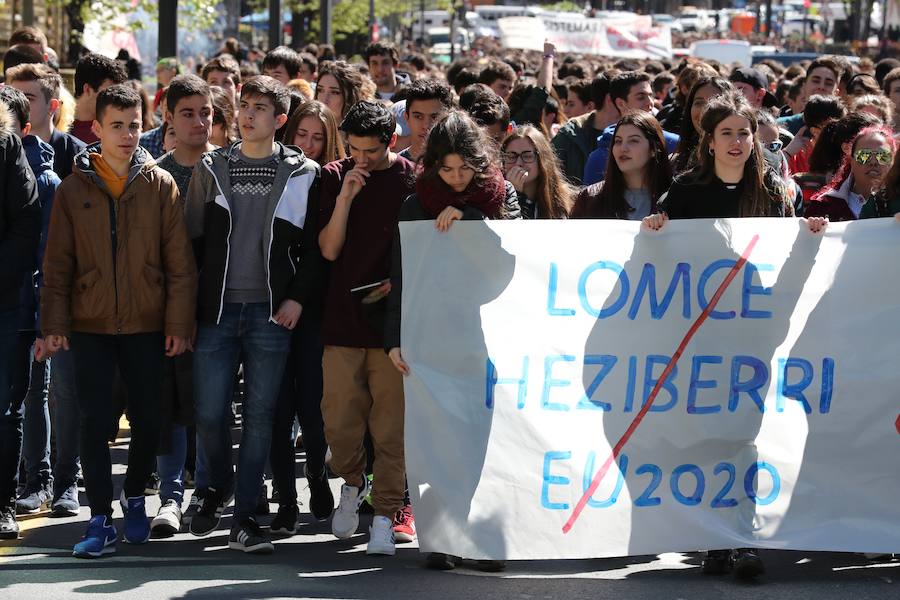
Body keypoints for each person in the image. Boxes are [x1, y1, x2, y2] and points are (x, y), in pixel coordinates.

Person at [41, 84, 197, 558]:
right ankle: (100, 518)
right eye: (117, 126)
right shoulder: (74, 187)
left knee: (151, 419)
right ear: (97, 129)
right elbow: (58, 263)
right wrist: (55, 323)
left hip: (149, 325)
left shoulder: (160, 184)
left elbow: (180, 264)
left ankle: (134, 497)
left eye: (134, 125)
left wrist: (178, 324)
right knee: (93, 423)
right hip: (89, 325)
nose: (128, 135)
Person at [183, 76, 321, 555]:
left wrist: (297, 297)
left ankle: (246, 518)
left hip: (270, 313)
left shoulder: (304, 172)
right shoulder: (212, 165)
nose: (248, 114)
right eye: (245, 105)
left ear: (280, 120)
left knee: (262, 419)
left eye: (261, 108)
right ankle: (215, 487)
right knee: (210, 413)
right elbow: (192, 240)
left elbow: (313, 250)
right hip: (216, 310)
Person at [316, 101, 417, 556]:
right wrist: (345, 198)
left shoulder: (411, 180)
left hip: (394, 326)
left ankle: (384, 515)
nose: (361, 158)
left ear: (391, 142)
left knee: (391, 429)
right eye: (353, 148)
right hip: (342, 320)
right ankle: (352, 483)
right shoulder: (334, 175)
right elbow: (329, 251)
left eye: (371, 151)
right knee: (338, 423)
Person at [150, 74, 217, 537]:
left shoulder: (228, 169)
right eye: (187, 113)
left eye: (206, 113)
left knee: (211, 407)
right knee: (170, 404)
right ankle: (170, 497)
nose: (198, 122)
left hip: (219, 308)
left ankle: (208, 494)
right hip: (168, 310)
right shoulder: (155, 175)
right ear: (168, 118)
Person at [0, 97, 42, 540]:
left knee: (3, 410)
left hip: (4, 301)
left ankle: (2, 504)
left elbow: (26, 221)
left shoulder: (6, 145)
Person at [571, 110, 673, 220]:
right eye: (618, 141)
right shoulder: (590, 198)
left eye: (633, 141)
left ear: (654, 149)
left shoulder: (675, 198)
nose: (623, 148)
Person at [583, 71, 680, 185]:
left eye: (650, 95)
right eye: (641, 97)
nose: (650, 103)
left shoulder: (674, 145)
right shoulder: (599, 158)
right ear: (620, 103)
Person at [5, 62, 86, 179]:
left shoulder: (78, 157)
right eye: (13, 96)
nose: (16, 104)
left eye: (28, 98)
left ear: (52, 106)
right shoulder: (4, 150)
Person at [805, 126, 897, 221]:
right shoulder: (822, 206)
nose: (873, 162)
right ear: (851, 161)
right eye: (864, 155)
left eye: (883, 156)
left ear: (893, 163)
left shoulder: (897, 204)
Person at [795, 112, 883, 207]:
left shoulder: (893, 192)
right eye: (867, 149)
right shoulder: (821, 198)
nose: (874, 160)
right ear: (847, 148)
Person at [552, 72, 622, 185]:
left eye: (571, 104)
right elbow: (550, 177)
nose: (650, 103)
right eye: (640, 97)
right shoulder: (569, 135)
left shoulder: (635, 135)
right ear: (610, 99)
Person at [500, 124, 572, 219]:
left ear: (542, 160)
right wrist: (515, 195)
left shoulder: (563, 201)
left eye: (527, 156)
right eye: (511, 156)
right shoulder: (496, 199)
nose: (518, 163)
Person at [671, 77, 734, 175]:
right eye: (699, 102)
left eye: (715, 102)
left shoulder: (744, 161)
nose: (705, 110)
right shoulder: (676, 163)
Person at [70, 53, 128, 144]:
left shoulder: (122, 130)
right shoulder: (56, 124)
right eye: (109, 93)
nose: (116, 100)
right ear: (88, 89)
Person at [778, 57, 843, 135]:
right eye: (816, 81)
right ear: (804, 86)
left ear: (836, 92)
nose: (821, 86)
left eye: (828, 83)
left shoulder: (844, 129)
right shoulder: (781, 126)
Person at [399, 78, 454, 162]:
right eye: (418, 117)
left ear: (449, 119)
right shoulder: (395, 167)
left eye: (434, 117)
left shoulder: (462, 165)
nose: (426, 125)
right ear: (407, 118)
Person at [280, 100, 346, 164]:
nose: (308, 145)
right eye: (302, 134)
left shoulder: (339, 173)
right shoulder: (274, 167)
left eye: (317, 138)